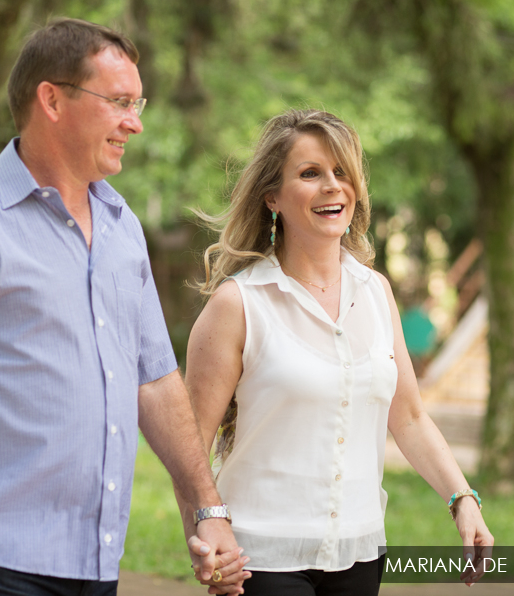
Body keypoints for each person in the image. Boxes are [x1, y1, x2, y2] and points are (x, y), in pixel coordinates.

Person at [0, 18, 245, 596]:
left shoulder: (122, 227)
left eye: (139, 103)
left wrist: (207, 510)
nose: (135, 122)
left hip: (96, 558)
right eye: (119, 102)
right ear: (51, 100)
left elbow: (155, 381)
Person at [179, 109, 494, 596]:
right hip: (259, 557)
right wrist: (205, 531)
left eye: (342, 172)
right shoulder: (238, 304)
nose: (333, 186)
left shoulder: (376, 292)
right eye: (310, 174)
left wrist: (463, 499)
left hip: (360, 551)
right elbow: (190, 443)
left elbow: (408, 417)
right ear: (272, 198)